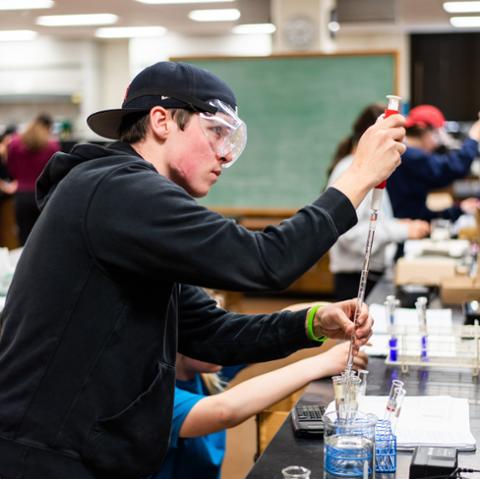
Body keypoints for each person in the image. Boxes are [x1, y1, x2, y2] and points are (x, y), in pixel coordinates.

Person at [0, 61, 405, 479]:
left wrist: (312, 323)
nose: (225, 154)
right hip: (45, 456)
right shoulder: (117, 190)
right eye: (216, 132)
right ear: (161, 121)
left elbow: (213, 335)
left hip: (84, 453)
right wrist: (358, 176)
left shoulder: (129, 207)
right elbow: (265, 261)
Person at [149, 340, 367, 479]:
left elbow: (269, 330)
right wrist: (322, 362)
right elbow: (224, 410)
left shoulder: (206, 370)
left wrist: (327, 316)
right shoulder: (155, 398)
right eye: (208, 331)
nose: (221, 336)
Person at [327, 104, 430, 300]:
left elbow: (372, 218)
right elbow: (347, 234)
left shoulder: (368, 170)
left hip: (369, 273)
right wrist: (401, 231)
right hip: (355, 279)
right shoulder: (351, 171)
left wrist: (399, 225)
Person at [387, 104, 480, 223]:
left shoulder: (405, 153)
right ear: (422, 128)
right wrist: (474, 137)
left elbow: (418, 210)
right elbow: (450, 168)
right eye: (436, 133)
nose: (437, 143)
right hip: (403, 229)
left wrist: (458, 210)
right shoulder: (410, 156)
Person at [6, 112, 60, 245]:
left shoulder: (14, 142)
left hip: (22, 196)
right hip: (43, 197)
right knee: (42, 238)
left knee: (23, 237)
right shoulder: (52, 146)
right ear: (48, 128)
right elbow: (54, 173)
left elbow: (11, 168)